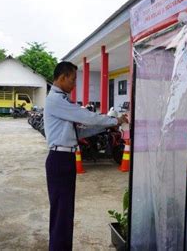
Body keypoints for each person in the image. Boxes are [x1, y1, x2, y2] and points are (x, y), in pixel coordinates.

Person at [44, 61, 128, 250]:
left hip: (65, 159)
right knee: (61, 213)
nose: (75, 84)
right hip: (59, 160)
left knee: (65, 213)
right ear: (62, 77)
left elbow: (79, 132)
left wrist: (108, 125)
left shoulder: (62, 100)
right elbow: (86, 117)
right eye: (73, 80)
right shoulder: (56, 100)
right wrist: (113, 119)